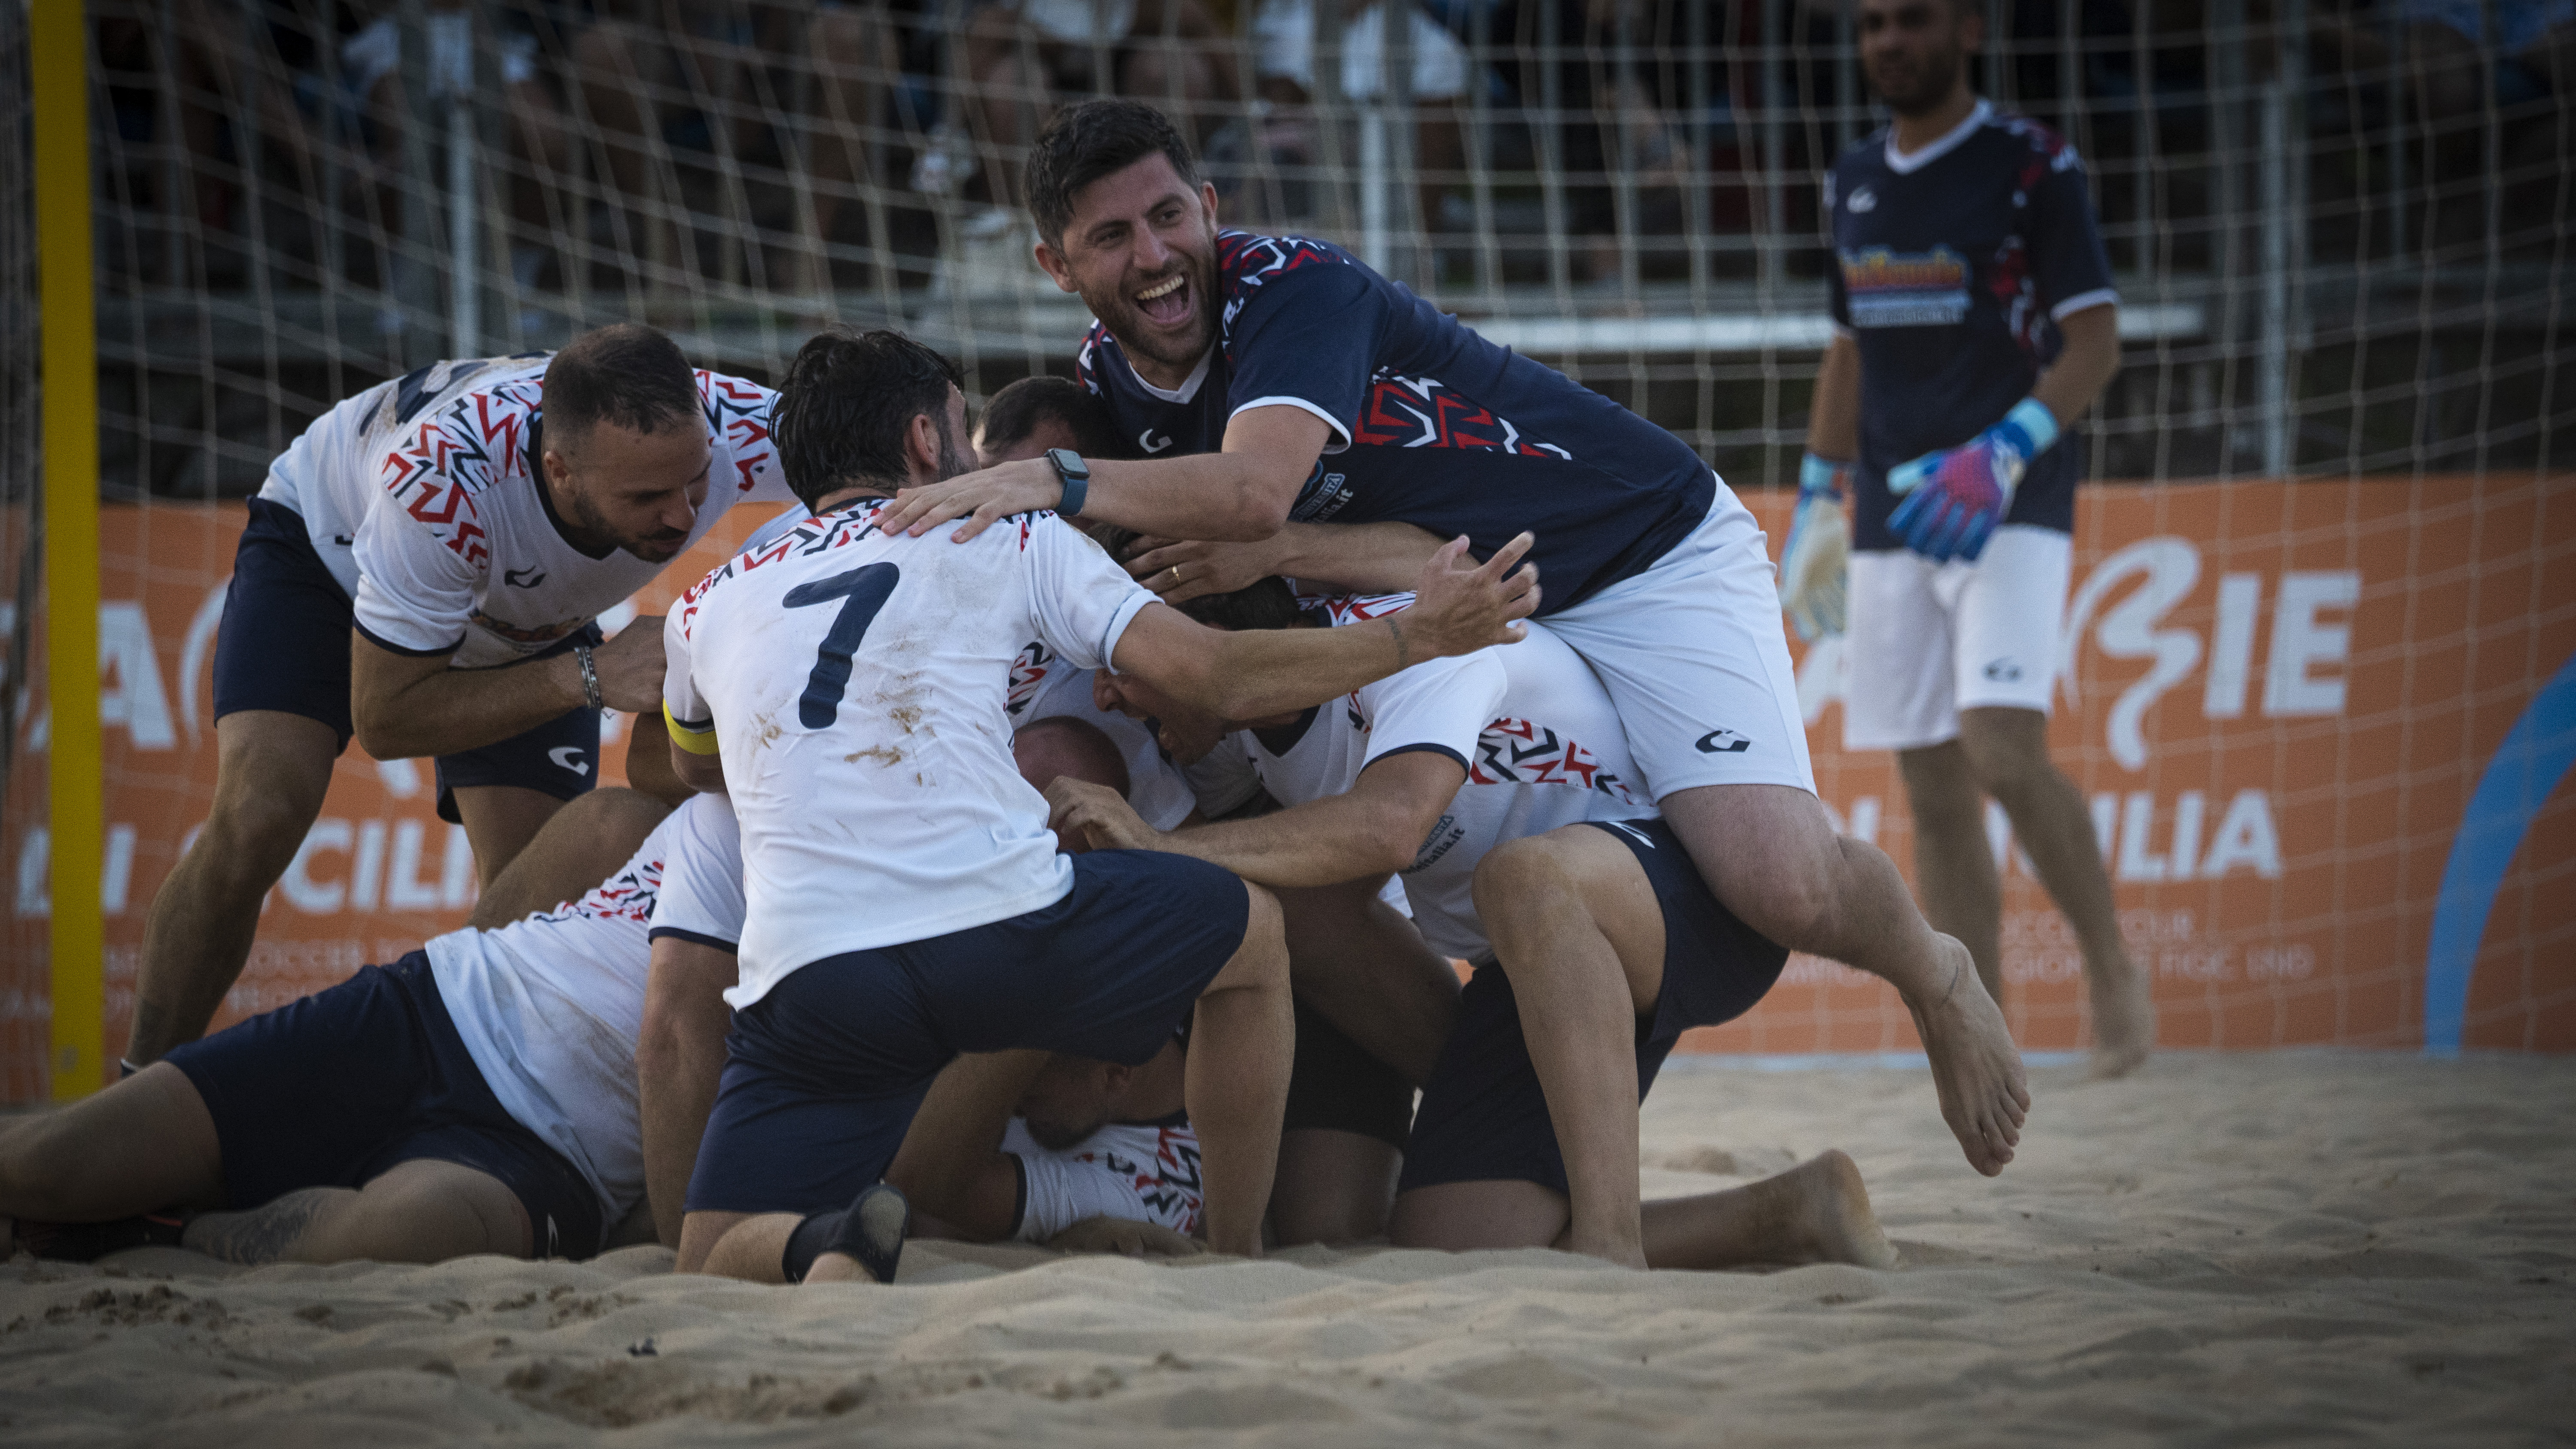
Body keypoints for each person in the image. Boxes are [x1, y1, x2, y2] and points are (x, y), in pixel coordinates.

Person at [877, 97, 2029, 1177]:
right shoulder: (1104, 389)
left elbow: (1250, 503)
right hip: (1467, 583)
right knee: (1326, 880)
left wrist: (1056, 484)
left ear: (1212, 207)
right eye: (1112, 235)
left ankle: (1935, 969)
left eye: (1169, 216)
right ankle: (1470, 1132)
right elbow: (1396, 553)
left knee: (1775, 882)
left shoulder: (1291, 286)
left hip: (1644, 550)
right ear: (1057, 266)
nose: (1153, 255)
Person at [657, 327, 1537, 1285]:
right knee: (1252, 936)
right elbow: (1215, 675)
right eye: (962, 431)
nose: (976, 460)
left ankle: (821, 1247)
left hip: (812, 962)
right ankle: (1234, 1256)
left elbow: (689, 765)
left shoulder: (706, 600)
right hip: (1000, 926)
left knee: (710, 1252)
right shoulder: (1007, 530)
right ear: (922, 441)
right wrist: (1416, 634)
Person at [1054, 576, 1896, 1268]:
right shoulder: (1234, 730)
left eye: (1135, 660)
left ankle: (1613, 1245)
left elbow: (1389, 827)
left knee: (1522, 877)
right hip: (1529, 958)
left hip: (1673, 890)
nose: (1106, 687)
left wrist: (1156, 845)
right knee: (1448, 1236)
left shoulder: (1410, 640)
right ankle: (1789, 1208)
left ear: (1222, 651)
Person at [123, 325, 793, 1073]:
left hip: (522, 616)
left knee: (528, 910)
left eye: (696, 482)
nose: (682, 516)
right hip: (330, 553)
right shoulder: (440, 486)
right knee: (260, 812)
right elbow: (386, 719)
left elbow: (906, 445)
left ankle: (432, 1121)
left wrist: (957, 481)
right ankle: (139, 1093)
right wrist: (591, 676)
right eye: (646, 497)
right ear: (561, 470)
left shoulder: (733, 421)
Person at [1776, 0, 2153, 1079]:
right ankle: (1976, 1025)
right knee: (1932, 787)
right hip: (1896, 512)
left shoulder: (2033, 165)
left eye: (1913, 20)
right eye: (1872, 25)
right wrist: (1815, 495)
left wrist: (2006, 447)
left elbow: (2096, 341)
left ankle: (2112, 966)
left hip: (2004, 499)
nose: (1889, 41)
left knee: (2002, 748)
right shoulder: (1850, 178)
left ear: (1971, 30)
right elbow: (1848, 351)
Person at [0, 787, 708, 1266]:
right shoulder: (664, 818)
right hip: (423, 1015)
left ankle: (163, 1230)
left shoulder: (809, 916)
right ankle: (146, 1200)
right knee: (50, 1165)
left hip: (556, 1159)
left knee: (408, 1227)